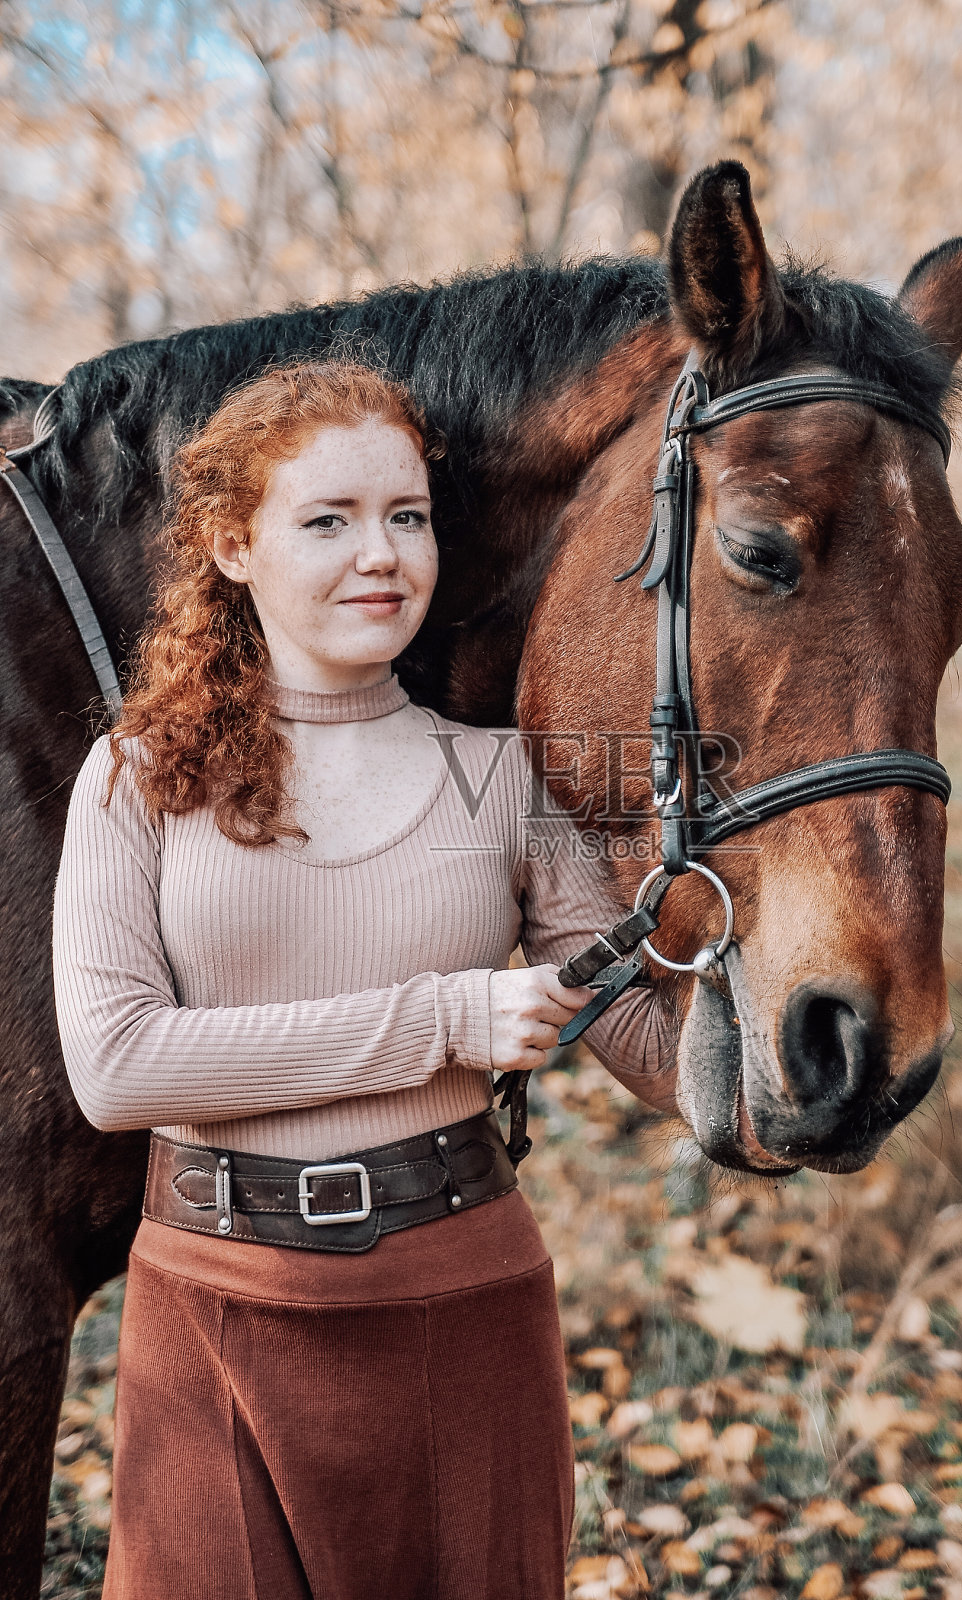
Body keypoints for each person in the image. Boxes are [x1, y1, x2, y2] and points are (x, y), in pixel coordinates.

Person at [52, 362, 675, 1600]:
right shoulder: (137, 780)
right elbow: (116, 1068)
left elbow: (661, 1054)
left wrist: (769, 917)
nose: (380, 554)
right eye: (327, 521)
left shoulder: (501, 777)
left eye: (406, 515)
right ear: (234, 545)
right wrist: (445, 1019)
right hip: (214, 1310)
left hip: (464, 1300)